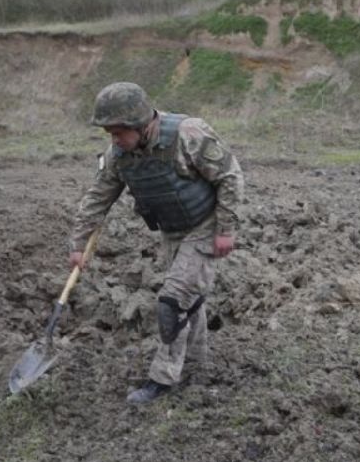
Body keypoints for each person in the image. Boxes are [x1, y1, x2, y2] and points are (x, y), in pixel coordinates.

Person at [69, 82, 244, 405]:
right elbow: (98, 197)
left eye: (118, 132)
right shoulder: (119, 156)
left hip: (206, 225)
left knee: (173, 301)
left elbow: (230, 176)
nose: (114, 140)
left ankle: (162, 379)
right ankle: (197, 365)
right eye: (109, 133)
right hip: (172, 230)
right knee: (190, 299)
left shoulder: (187, 134)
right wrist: (79, 244)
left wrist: (227, 229)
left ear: (139, 123)